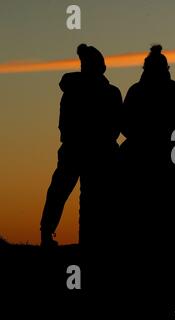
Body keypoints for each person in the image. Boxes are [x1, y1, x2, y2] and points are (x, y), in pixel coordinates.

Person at [119, 45, 175, 296]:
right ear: (166, 69)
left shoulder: (136, 91)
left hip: (142, 159)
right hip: (167, 160)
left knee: (142, 222)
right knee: (172, 222)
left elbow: (125, 125)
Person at [40, 44, 122, 248]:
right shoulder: (109, 92)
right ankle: (93, 240)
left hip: (74, 149)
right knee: (92, 198)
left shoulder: (72, 88)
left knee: (60, 193)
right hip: (95, 152)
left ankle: (47, 234)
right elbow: (118, 124)